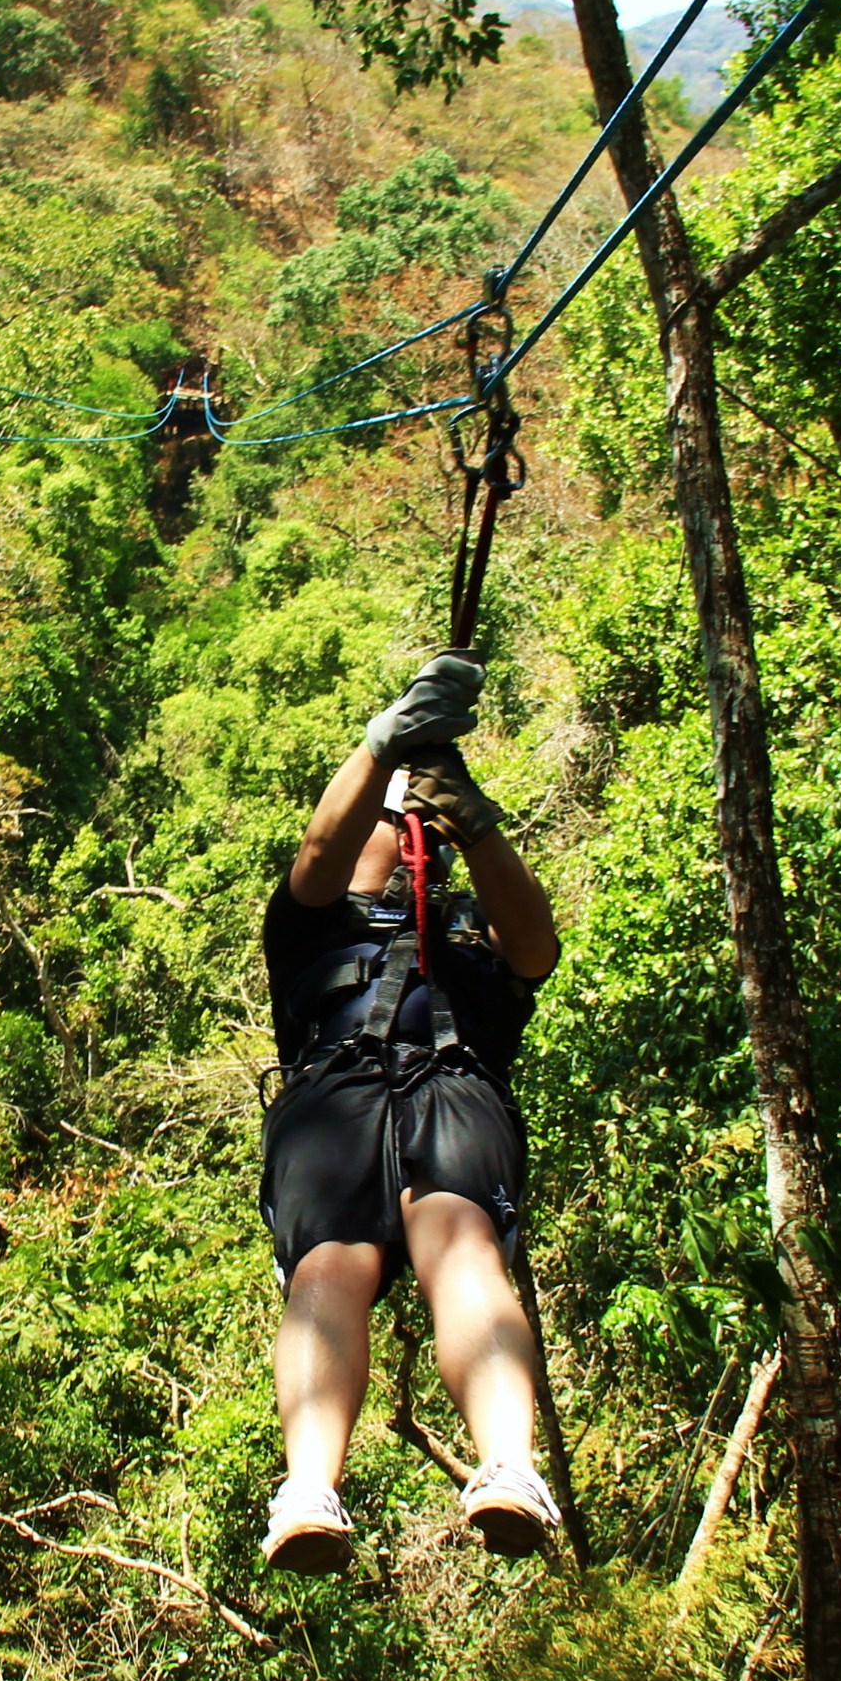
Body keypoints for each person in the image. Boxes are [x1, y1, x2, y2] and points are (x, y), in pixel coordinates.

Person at [256, 653, 563, 1571]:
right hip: (338, 1089)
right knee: (332, 1265)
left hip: (448, 1080)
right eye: (389, 823)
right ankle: (310, 1488)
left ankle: (509, 1466)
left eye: (412, 824)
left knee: (459, 1248)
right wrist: (386, 749)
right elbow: (325, 852)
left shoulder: (478, 932)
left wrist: (475, 822)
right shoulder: (307, 925)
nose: (401, 834)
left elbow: (536, 946)